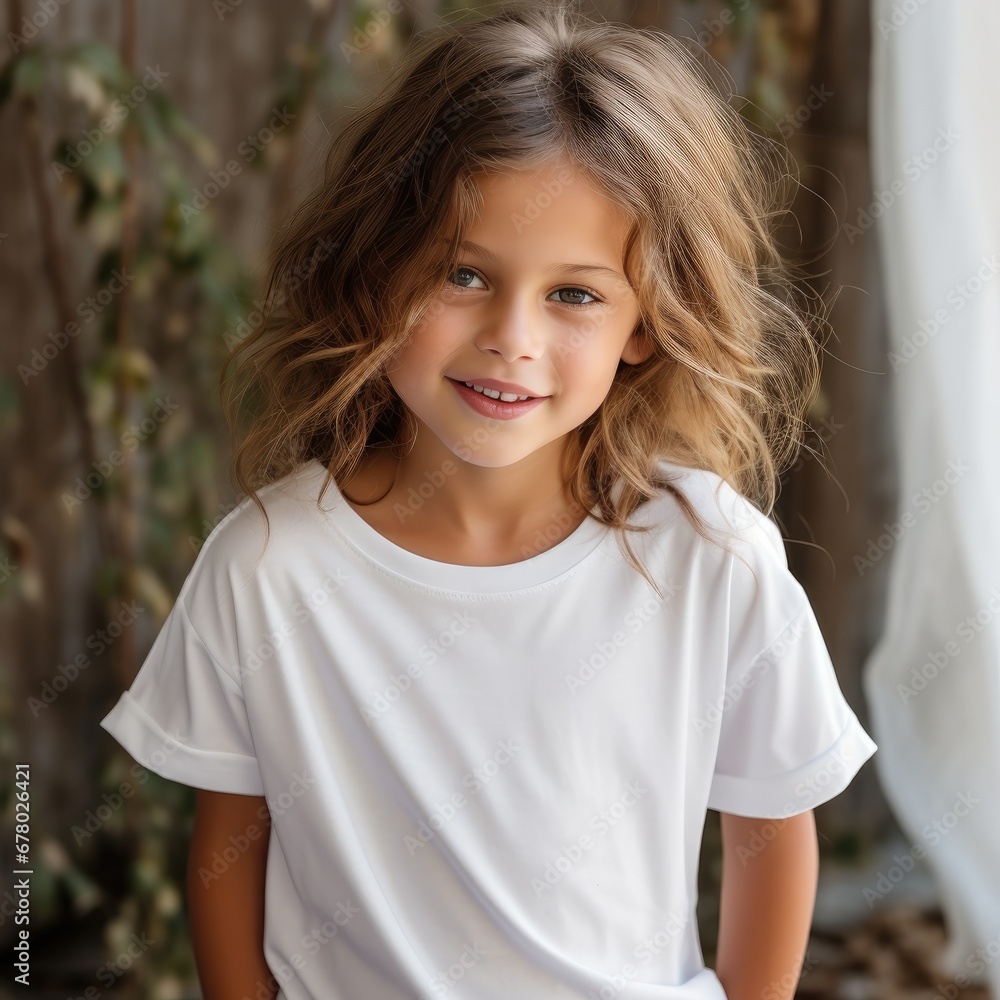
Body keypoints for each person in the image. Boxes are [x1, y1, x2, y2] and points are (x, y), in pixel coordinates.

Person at [100, 2, 878, 997]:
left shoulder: (711, 556)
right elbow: (226, 856)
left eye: (574, 294)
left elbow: (773, 829)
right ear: (381, 273)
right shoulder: (268, 566)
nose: (512, 336)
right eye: (464, 274)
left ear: (647, 322)